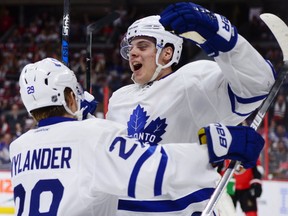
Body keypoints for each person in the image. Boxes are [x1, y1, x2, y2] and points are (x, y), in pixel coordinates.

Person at [9, 57, 264, 216]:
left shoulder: (19, 147)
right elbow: (152, 169)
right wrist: (216, 148)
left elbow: (75, 163)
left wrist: (84, 120)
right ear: (70, 97)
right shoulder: (92, 135)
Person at [106, 2, 276, 216]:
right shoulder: (119, 98)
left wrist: (218, 32)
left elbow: (258, 83)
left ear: (166, 53)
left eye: (142, 46)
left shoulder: (191, 81)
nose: (132, 53)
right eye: (130, 48)